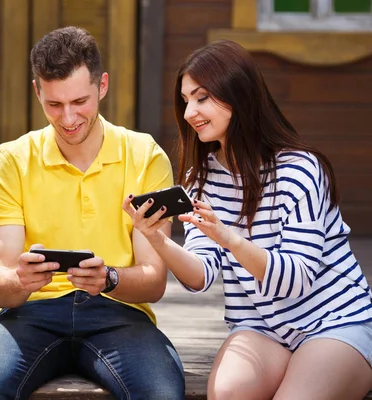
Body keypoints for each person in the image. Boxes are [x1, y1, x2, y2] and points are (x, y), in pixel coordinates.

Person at [122, 39, 372, 400]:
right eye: (186, 99)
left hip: (333, 321)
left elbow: (297, 279)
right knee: (227, 392)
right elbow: (199, 277)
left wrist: (229, 239)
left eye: (202, 97)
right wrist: (158, 240)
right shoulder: (201, 178)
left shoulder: (299, 170)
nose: (190, 111)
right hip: (262, 328)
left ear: (238, 95)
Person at [0, 26, 185, 399]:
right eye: (54, 104)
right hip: (32, 314)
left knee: (162, 393)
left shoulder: (145, 156)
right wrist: (21, 280)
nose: (68, 118)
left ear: (103, 86)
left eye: (79, 101)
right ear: (37, 91)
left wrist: (109, 278)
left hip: (120, 315)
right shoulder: (12, 160)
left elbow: (154, 281)